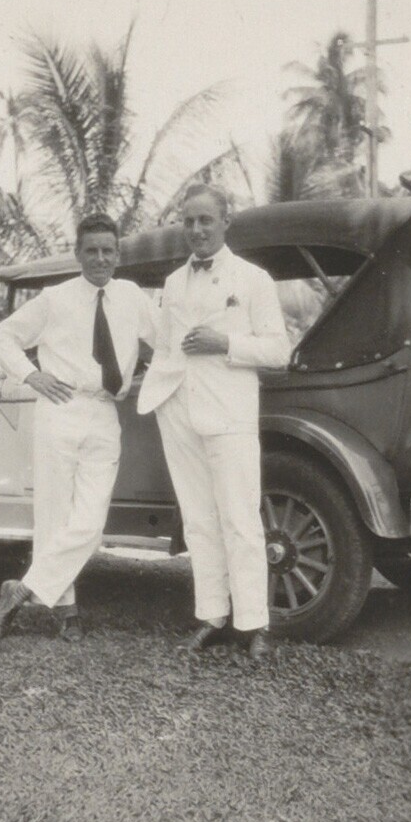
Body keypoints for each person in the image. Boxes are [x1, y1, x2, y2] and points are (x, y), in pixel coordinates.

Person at [0, 213, 158, 642]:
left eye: (108, 251)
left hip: (104, 411)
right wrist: (31, 375)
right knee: (54, 516)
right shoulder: (55, 298)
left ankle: (21, 590)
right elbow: (2, 336)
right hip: (60, 408)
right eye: (92, 250)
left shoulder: (133, 297)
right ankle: (66, 612)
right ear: (78, 254)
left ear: (118, 255)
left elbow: (168, 338)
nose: (100, 258)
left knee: (90, 524)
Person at [137, 184, 291, 659]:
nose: (197, 229)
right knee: (199, 521)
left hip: (229, 413)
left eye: (205, 219)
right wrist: (161, 396)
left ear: (226, 221)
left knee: (240, 519)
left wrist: (225, 344)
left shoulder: (254, 279)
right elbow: (166, 346)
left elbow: (279, 351)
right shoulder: (173, 282)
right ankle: (212, 617)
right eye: (188, 221)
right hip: (178, 411)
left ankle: (254, 624)